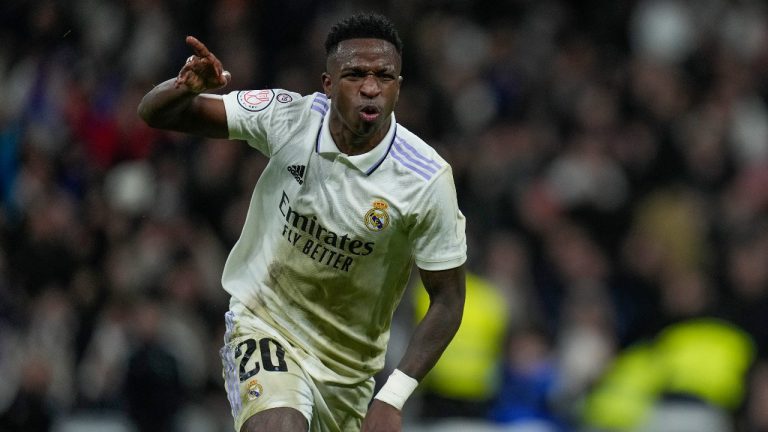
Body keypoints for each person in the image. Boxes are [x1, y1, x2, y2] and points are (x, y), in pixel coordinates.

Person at [138, 12, 467, 432]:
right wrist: (184, 88)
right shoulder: (288, 117)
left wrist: (392, 396)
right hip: (264, 324)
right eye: (355, 74)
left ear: (398, 87)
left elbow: (449, 300)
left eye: (384, 77)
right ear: (327, 85)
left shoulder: (425, 179)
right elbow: (157, 114)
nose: (370, 88)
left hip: (347, 374)